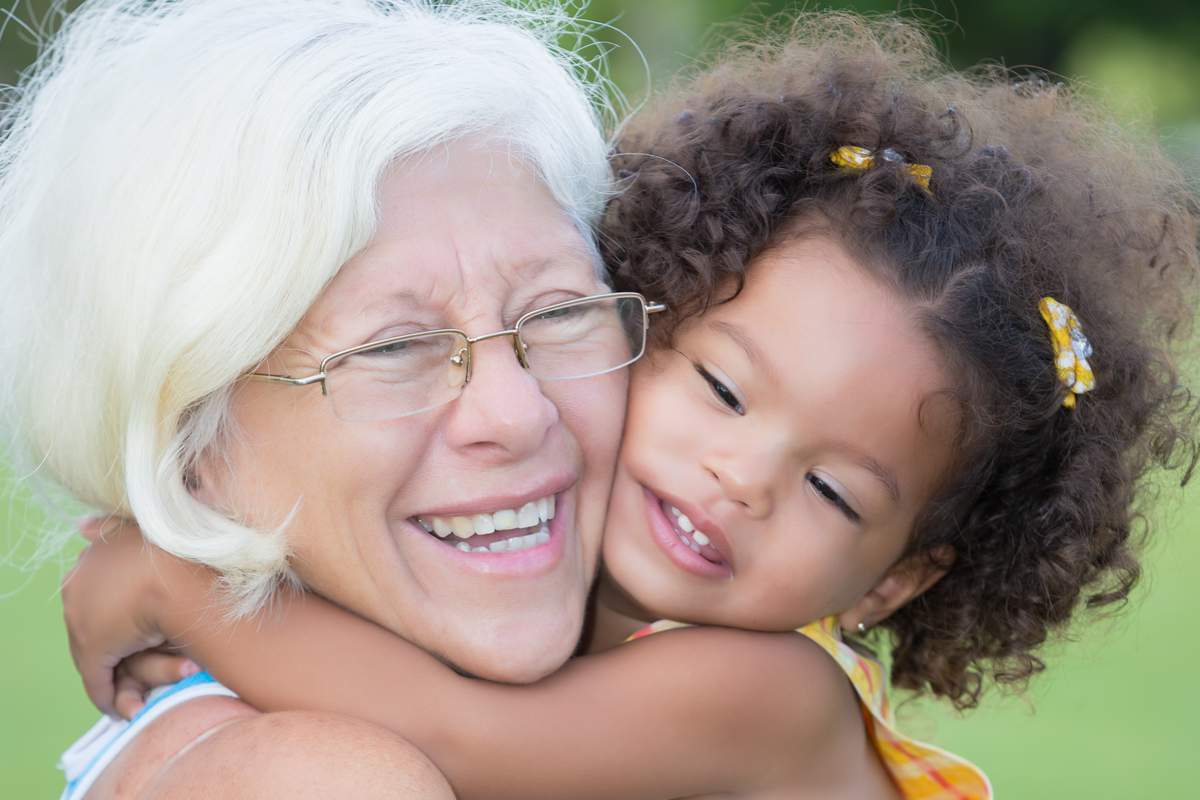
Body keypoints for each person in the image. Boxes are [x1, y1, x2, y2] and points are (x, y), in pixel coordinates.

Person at [63, 12, 1200, 800]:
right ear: (645, 317)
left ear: (896, 577)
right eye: (718, 388)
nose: (741, 476)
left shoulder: (773, 691)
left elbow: (466, 737)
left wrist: (175, 583)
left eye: (827, 488)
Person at [0, 0, 646, 797]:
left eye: (557, 314)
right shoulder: (324, 779)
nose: (516, 415)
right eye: (394, 348)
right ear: (189, 442)